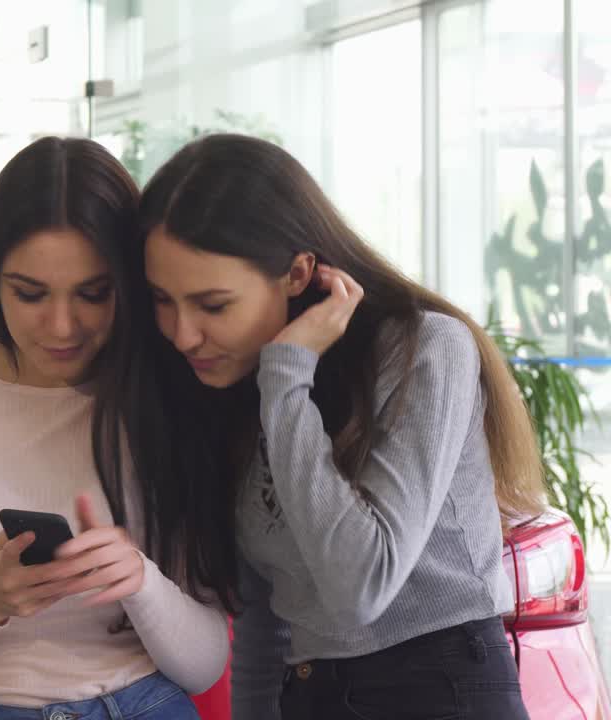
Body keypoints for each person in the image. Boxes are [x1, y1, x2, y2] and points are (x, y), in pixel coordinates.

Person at [132, 133, 545, 720]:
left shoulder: (424, 349)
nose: (182, 334)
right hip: (311, 695)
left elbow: (361, 588)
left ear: (299, 273)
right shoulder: (242, 388)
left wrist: (287, 378)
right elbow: (265, 624)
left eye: (213, 305)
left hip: (438, 691)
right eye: (162, 300)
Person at [0, 136, 229, 720]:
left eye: (93, 293)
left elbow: (204, 666)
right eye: (29, 294)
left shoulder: (166, 398)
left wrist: (140, 581)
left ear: (129, 282)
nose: (61, 325)